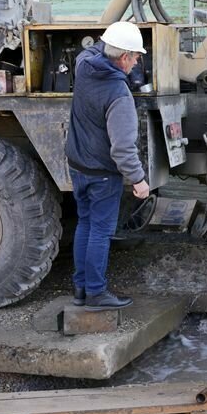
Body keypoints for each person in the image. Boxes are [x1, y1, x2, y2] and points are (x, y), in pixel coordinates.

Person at [65, 21, 150, 311]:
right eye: (136, 56)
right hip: (102, 173)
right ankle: (96, 293)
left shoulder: (84, 65)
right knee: (100, 231)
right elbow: (123, 148)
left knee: (85, 224)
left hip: (78, 165)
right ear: (124, 57)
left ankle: (81, 288)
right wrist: (138, 180)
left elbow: (91, 51)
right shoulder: (119, 94)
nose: (137, 62)